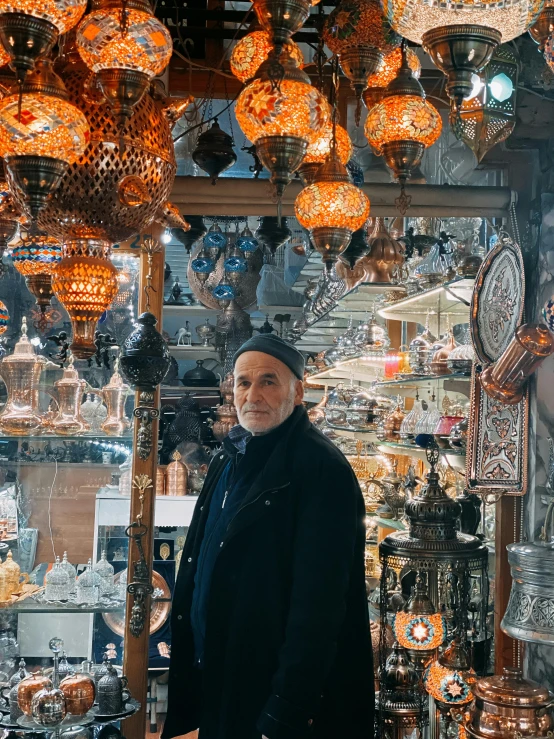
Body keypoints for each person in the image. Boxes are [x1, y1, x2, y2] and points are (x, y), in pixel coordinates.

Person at [163, 334, 373, 739]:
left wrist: (286, 710)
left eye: (268, 381)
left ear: (299, 392)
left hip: (271, 694)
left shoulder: (320, 468)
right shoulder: (231, 455)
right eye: (243, 382)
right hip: (225, 673)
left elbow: (320, 607)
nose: (252, 395)